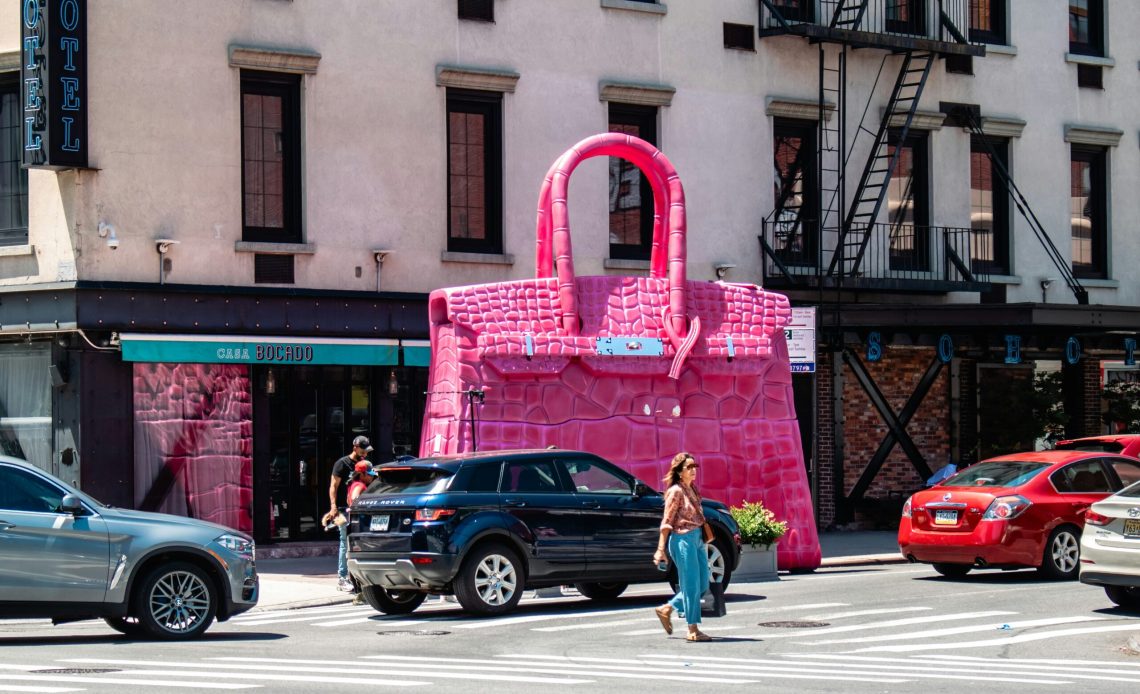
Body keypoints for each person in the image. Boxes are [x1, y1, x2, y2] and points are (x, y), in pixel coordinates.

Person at [653, 451, 712, 642]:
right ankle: (692, 629)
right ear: (679, 471)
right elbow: (667, 521)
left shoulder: (692, 488)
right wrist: (660, 549)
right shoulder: (675, 491)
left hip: (697, 538)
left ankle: (667, 609)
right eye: (689, 467)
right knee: (691, 585)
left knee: (703, 583)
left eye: (695, 466)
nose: (693, 470)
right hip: (682, 539)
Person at [329, 435, 372, 592]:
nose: (365, 453)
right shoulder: (342, 463)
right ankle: (342, 578)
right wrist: (333, 506)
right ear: (355, 447)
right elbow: (333, 486)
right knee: (345, 541)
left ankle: (358, 577)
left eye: (367, 451)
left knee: (358, 542)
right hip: (343, 508)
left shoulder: (364, 464)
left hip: (358, 509)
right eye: (363, 450)